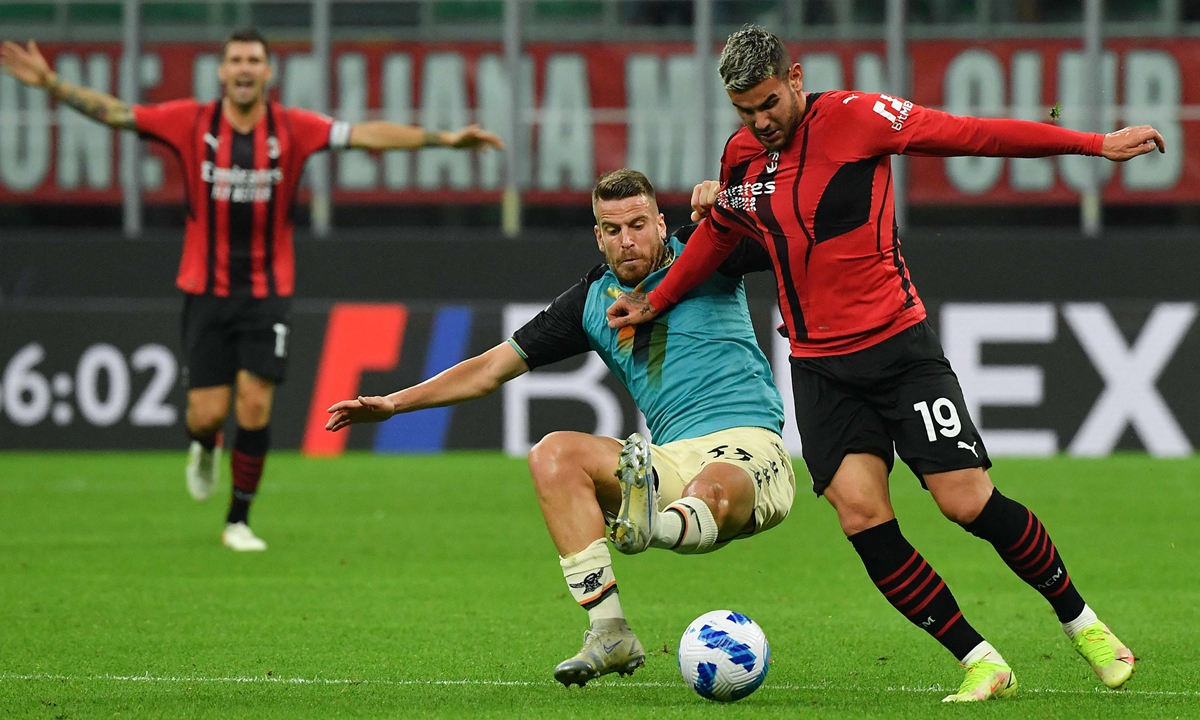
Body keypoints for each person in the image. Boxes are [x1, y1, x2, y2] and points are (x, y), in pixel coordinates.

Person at [607, 25, 1163, 702]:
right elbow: (722, 231)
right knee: (862, 517)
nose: (761, 120)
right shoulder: (742, 157)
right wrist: (653, 300)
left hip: (899, 352)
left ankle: (1083, 623)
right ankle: (981, 660)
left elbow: (974, 134)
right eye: (745, 110)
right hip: (818, 368)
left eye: (769, 103)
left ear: (796, 79)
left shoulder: (859, 119)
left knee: (966, 502)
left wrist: (1093, 144)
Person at [0, 30, 503, 552]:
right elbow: (118, 114)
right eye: (235, 59)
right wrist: (51, 84)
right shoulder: (189, 122)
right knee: (206, 415)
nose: (244, 68)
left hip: (267, 292)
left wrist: (444, 140)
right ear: (221, 71)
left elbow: (366, 134)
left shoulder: (293, 128)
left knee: (256, 405)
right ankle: (203, 445)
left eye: (254, 60)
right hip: (205, 291)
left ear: (268, 72)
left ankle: (238, 520)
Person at [326, 168, 796, 687]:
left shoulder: (709, 247)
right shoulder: (589, 302)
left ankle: (646, 529)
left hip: (751, 443)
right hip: (666, 460)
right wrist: (393, 403)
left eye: (638, 224)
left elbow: (793, 230)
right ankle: (610, 632)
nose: (627, 240)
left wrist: (731, 202)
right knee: (553, 454)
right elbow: (488, 369)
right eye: (612, 230)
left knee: (715, 487)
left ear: (662, 224)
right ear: (598, 235)